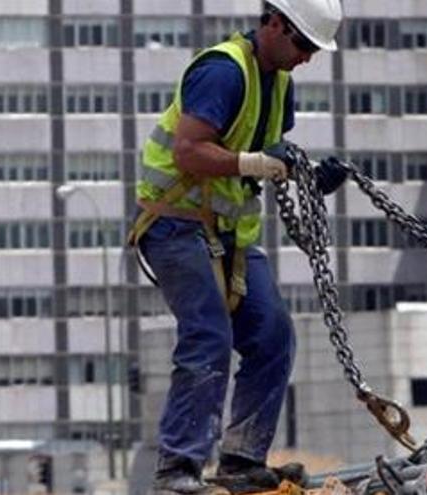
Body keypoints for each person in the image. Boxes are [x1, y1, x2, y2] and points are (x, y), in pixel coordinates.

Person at [128, 1, 347, 494]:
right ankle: (177, 470)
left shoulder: (279, 82)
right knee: (207, 337)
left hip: (228, 236)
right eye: (303, 45)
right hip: (176, 225)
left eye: (314, 49)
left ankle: (242, 460)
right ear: (273, 23)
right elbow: (189, 150)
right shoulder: (223, 71)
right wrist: (257, 164)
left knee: (272, 336)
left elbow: (262, 153)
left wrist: (307, 175)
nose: (307, 57)